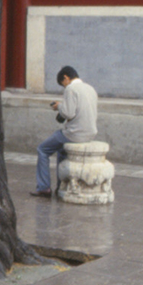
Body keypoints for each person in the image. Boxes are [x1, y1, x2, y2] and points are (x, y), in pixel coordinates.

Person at [31, 65, 97, 197]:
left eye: (63, 84)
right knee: (61, 151)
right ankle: (61, 186)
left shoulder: (71, 89)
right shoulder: (90, 88)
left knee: (42, 150)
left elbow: (68, 113)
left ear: (66, 78)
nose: (64, 87)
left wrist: (59, 106)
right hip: (90, 133)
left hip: (74, 133)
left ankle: (43, 187)